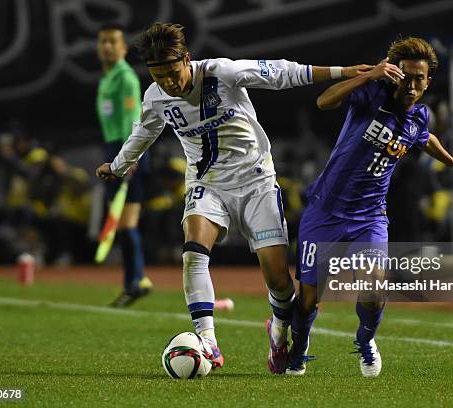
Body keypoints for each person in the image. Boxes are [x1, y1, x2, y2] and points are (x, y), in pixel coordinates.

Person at [95, 22, 372, 372]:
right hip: (207, 183)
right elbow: (143, 133)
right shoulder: (155, 96)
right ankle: (208, 342)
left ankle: (279, 332)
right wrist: (118, 166)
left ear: (188, 60)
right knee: (193, 253)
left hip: (256, 180)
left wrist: (343, 72)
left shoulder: (222, 73)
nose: (167, 81)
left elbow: (282, 73)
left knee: (280, 283)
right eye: (158, 74)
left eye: (171, 72)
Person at [289, 37, 453, 377]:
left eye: (419, 78)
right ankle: (299, 349)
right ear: (394, 72)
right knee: (308, 297)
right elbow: (324, 101)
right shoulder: (372, 96)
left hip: (370, 217)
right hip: (326, 211)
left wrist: (449, 159)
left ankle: (365, 340)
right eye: (405, 75)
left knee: (375, 287)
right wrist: (368, 75)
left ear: (427, 81)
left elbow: (425, 137)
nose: (411, 84)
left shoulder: (420, 115)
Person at [96, 24, 153, 307]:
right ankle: (133, 281)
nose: (107, 46)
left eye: (112, 42)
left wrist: (127, 159)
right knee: (122, 223)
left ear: (123, 49)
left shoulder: (126, 78)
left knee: (126, 221)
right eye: (103, 42)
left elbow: (135, 122)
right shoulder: (106, 79)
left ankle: (138, 280)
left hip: (127, 152)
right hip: (115, 149)